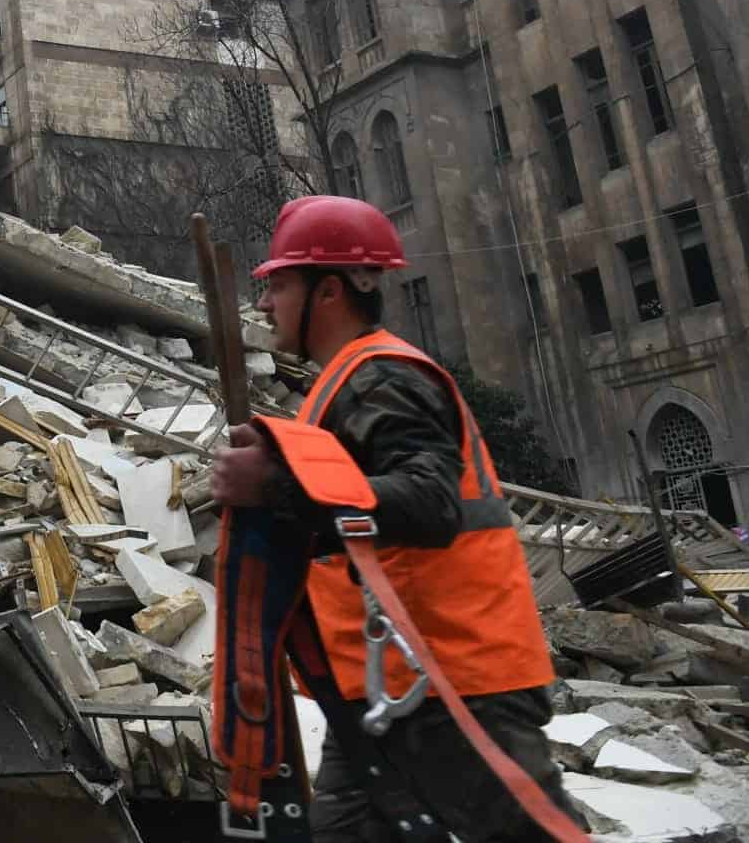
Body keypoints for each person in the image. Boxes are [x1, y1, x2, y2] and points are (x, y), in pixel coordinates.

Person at [210, 195, 586, 842]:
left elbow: (429, 502)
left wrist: (274, 486)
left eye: (279, 285)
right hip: (387, 685)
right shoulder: (346, 382)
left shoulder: (382, 378)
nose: (265, 303)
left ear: (329, 291)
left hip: (448, 680)